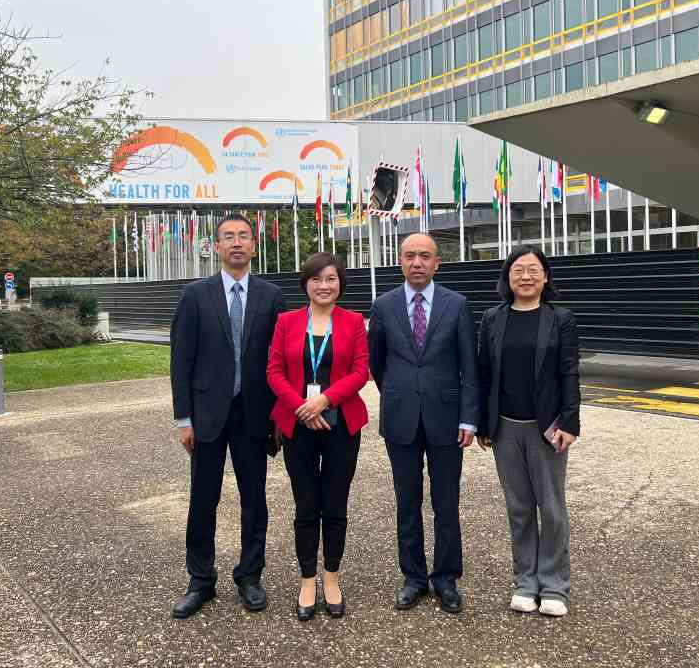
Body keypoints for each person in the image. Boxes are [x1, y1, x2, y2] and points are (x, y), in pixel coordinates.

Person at [169, 214, 286, 618]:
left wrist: (279, 416)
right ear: (216, 246)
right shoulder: (195, 295)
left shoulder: (272, 297)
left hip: (254, 414)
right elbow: (181, 361)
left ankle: (250, 576)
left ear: (254, 245)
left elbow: (281, 360)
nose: (236, 243)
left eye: (243, 236)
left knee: (255, 499)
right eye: (228, 237)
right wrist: (183, 419)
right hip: (206, 416)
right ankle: (200, 580)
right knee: (204, 499)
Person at [368, 233, 479, 614]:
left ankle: (446, 578)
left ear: (437, 263)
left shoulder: (457, 305)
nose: (417, 262)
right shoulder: (383, 306)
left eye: (425, 256)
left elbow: (469, 366)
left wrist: (469, 417)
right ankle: (413, 577)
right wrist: (398, 393)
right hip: (401, 418)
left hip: (446, 418)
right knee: (407, 501)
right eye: (410, 256)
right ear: (400, 261)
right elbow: (377, 362)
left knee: (446, 502)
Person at [476, 245, 580, 618]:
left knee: (551, 509)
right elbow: (484, 373)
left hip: (547, 428)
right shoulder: (493, 318)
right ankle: (525, 582)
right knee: (519, 508)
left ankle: (554, 586)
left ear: (546, 276)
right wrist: (484, 424)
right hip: (505, 427)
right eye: (518, 269)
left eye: (533, 269)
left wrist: (570, 422)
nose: (526, 276)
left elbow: (569, 371)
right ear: (507, 277)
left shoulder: (560, 319)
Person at [266, 252, 370, 621]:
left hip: (342, 425)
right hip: (298, 426)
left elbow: (360, 371)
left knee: (336, 505)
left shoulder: (354, 321)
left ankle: (332, 577)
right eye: (316, 279)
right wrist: (302, 407)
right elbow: (274, 371)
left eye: (330, 279)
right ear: (305, 284)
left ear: (340, 283)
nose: (323, 286)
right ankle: (307, 579)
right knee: (307, 504)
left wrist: (324, 400)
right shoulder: (287, 322)